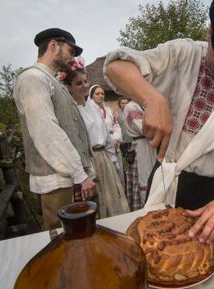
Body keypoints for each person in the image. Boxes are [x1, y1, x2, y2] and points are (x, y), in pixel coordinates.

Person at [105, 0, 214, 258]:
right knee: (157, 261)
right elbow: (116, 66)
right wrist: (152, 98)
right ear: (210, 33)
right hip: (167, 179)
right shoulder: (182, 55)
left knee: (213, 266)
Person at [12, 28, 96, 230]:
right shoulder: (33, 79)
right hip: (56, 182)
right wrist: (79, 173)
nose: (73, 56)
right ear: (53, 45)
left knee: (81, 241)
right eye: (70, 50)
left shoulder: (52, 80)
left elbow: (73, 128)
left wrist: (87, 169)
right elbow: (45, 131)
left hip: (70, 178)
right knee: (62, 242)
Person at [61, 60, 130, 217]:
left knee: (113, 197)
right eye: (79, 83)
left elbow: (106, 136)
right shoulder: (71, 111)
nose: (84, 86)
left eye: (86, 81)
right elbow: (75, 142)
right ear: (68, 86)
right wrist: (87, 170)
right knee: (96, 201)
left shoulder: (93, 107)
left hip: (103, 157)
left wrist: (113, 159)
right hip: (88, 159)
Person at [122, 100, 157, 211]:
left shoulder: (144, 106)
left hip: (150, 146)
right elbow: (145, 129)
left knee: (152, 175)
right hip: (142, 147)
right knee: (144, 177)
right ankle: (146, 209)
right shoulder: (131, 106)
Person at [88, 84, 125, 186]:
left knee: (118, 174)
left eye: (102, 93)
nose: (101, 95)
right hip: (102, 147)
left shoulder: (109, 110)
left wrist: (116, 139)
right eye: (97, 94)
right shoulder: (89, 112)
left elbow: (116, 125)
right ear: (91, 96)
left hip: (114, 143)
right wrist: (108, 141)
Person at [117, 97, 132, 161]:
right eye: (122, 103)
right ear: (119, 104)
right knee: (126, 159)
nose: (125, 105)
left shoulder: (132, 113)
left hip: (132, 139)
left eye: (126, 103)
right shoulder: (117, 114)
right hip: (123, 141)